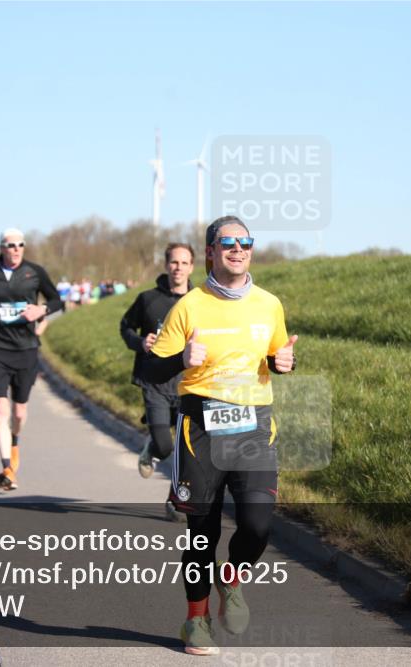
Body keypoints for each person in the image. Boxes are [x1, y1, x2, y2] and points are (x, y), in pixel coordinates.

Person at [141, 216, 297, 655]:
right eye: (227, 242)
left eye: (245, 241)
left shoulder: (269, 304)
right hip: (200, 430)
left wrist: (286, 364)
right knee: (202, 534)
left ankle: (232, 577)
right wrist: (179, 360)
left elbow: (278, 354)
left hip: (254, 427)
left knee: (257, 525)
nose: (238, 248)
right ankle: (196, 621)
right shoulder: (189, 305)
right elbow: (153, 368)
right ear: (209, 251)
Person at [0, 228, 63, 491]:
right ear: (1, 248)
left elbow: (57, 300)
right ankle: (7, 468)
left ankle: (15, 439)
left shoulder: (35, 272)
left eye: (20, 244)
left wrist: (41, 309)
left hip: (26, 348)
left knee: (19, 413)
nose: (16, 249)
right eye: (10, 245)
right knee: (1, 410)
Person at [120, 243, 195, 518]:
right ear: (166, 265)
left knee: (188, 451)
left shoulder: (198, 301)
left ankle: (174, 500)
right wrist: (140, 342)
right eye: (174, 262)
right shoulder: (147, 299)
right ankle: (151, 448)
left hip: (188, 383)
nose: (178, 268)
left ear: (192, 267)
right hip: (154, 382)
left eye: (184, 263)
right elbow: (125, 326)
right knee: (165, 445)